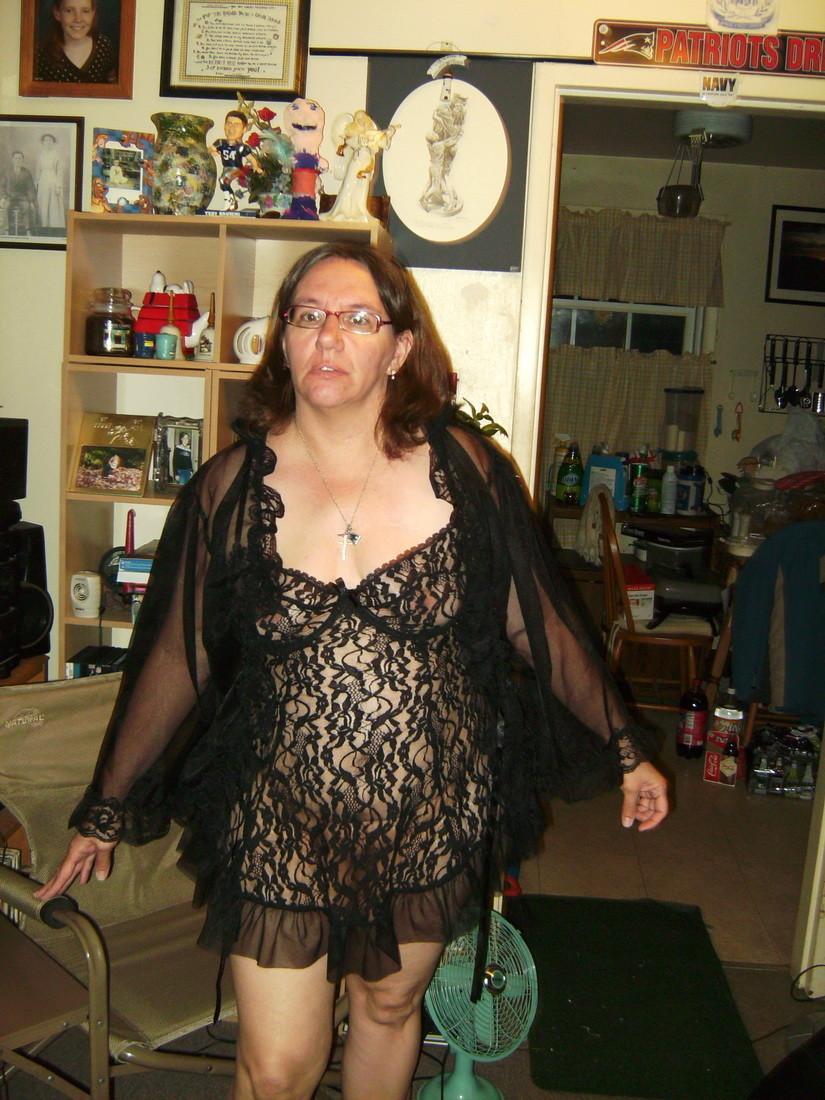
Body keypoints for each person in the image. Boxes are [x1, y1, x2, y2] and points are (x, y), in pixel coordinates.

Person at [36, 242, 668, 1100]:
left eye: (357, 318)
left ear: (399, 347)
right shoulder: (229, 489)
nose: (328, 336)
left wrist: (626, 747)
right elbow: (179, 657)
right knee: (277, 1069)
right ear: (283, 339)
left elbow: (539, 624)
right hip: (279, 819)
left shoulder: (467, 471)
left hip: (429, 813)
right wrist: (106, 806)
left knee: (387, 1008)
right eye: (308, 316)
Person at [34, 0, 117, 85]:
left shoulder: (104, 46)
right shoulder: (43, 55)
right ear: (57, 14)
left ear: (93, 13)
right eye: (69, 11)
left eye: (85, 11)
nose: (78, 19)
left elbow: (112, 82)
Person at [210, 111, 262, 211]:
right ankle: (231, 202)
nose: (232, 128)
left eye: (236, 125)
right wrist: (213, 151)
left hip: (237, 168)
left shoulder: (241, 147)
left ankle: (229, 200)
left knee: (223, 180)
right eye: (229, 124)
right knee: (223, 182)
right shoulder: (220, 142)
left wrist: (256, 167)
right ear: (224, 126)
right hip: (226, 169)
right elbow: (210, 149)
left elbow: (251, 158)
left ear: (244, 129)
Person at [35, 133, 65, 229]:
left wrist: (58, 185)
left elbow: (60, 171)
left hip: (53, 180)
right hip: (43, 180)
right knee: (43, 202)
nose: (47, 142)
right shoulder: (40, 155)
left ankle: (54, 226)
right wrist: (36, 183)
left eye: (50, 140)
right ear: (43, 142)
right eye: (46, 140)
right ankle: (43, 225)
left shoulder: (57, 155)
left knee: (53, 204)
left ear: (53, 142)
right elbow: (38, 170)